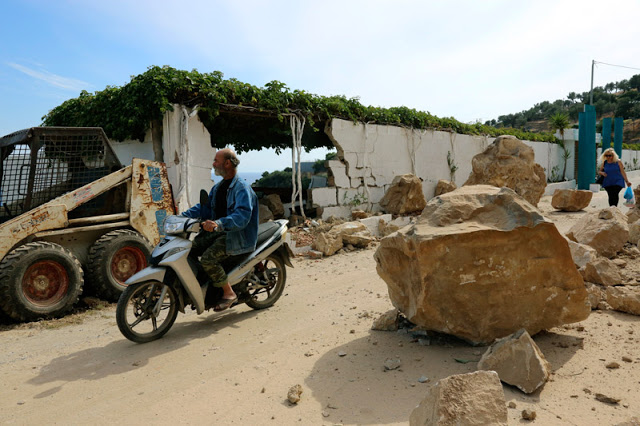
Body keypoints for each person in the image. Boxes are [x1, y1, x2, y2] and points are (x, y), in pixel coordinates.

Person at [181, 148, 259, 311]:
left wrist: (219, 224)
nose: (213, 163)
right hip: (219, 232)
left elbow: (242, 216)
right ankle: (204, 285)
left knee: (208, 259)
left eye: (216, 160)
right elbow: (205, 208)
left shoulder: (242, 188)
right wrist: (181, 216)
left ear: (227, 163)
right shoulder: (218, 188)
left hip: (235, 236)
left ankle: (229, 293)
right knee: (188, 249)